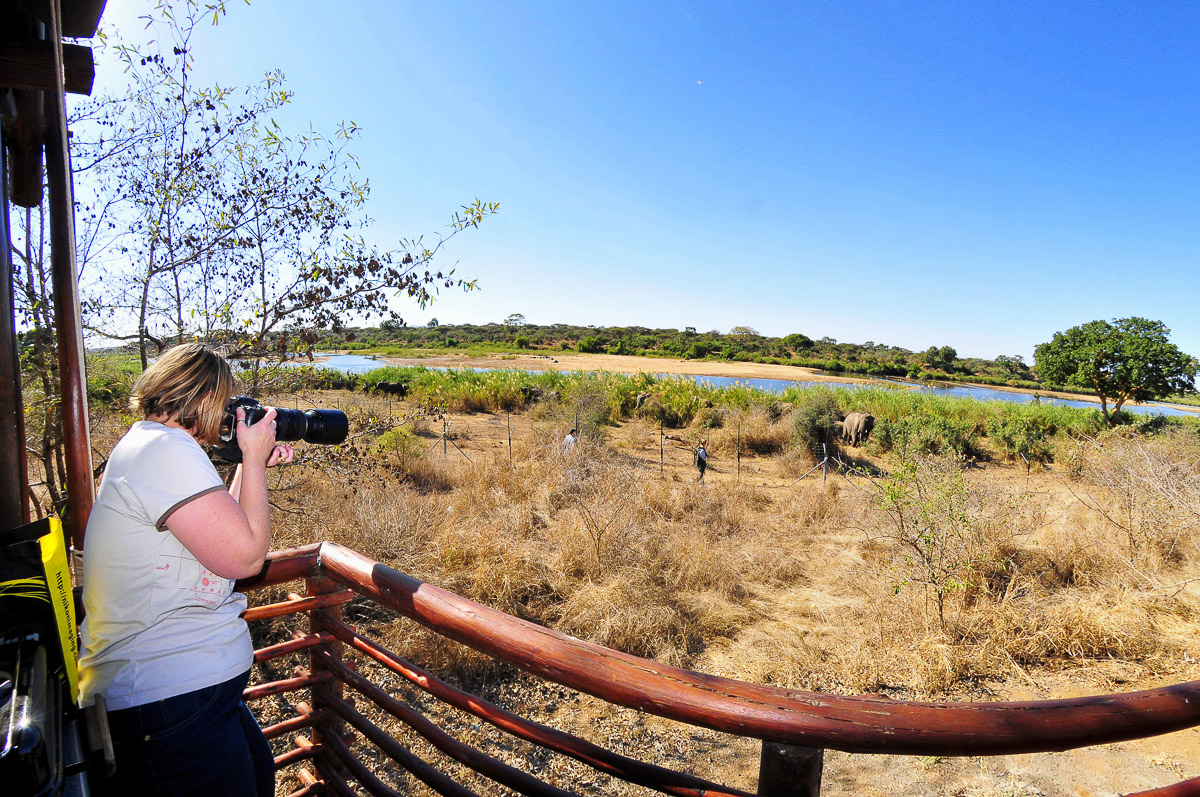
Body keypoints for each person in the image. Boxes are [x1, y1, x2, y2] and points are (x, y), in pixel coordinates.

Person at [78, 343, 294, 797]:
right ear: (203, 398)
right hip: (165, 700)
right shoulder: (164, 449)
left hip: (182, 700)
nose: (228, 415)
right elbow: (246, 558)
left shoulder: (153, 445)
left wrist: (248, 467)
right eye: (225, 402)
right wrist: (253, 460)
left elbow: (225, 537)